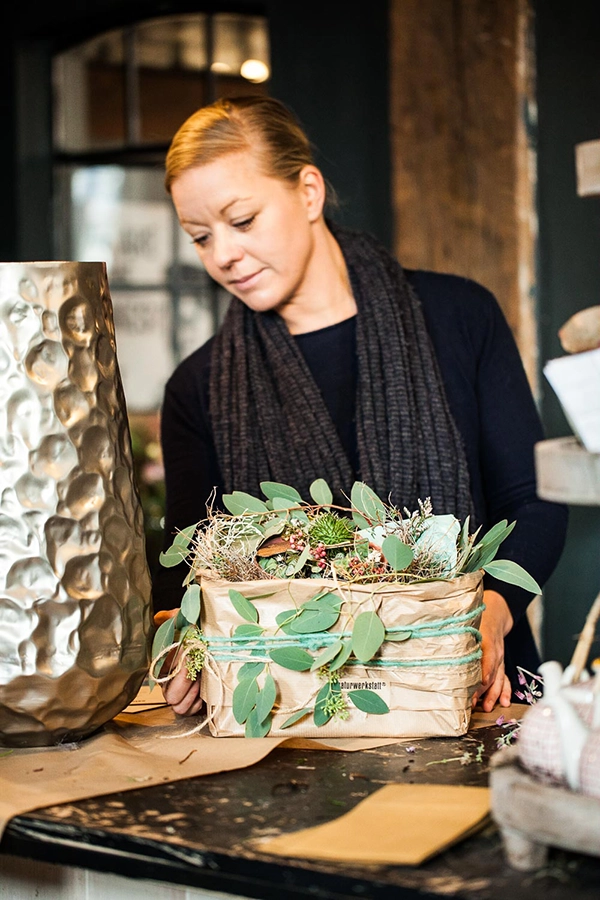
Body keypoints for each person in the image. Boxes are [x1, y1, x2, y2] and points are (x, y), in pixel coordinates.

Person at [152, 94, 568, 718]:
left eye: (243, 220)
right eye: (201, 237)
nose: (223, 256)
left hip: (477, 693)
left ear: (309, 192)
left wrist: (494, 609)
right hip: (292, 718)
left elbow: (534, 502)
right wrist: (183, 640)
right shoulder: (199, 387)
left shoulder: (458, 317)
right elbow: (187, 567)